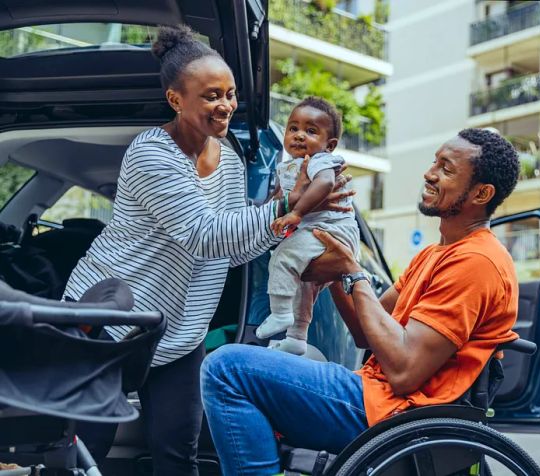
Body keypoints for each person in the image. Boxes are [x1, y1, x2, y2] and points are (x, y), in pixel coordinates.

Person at [62, 25, 351, 476]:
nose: (226, 105)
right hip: (112, 320)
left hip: (179, 332)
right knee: (84, 454)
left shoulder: (231, 159)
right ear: (176, 99)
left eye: (231, 93)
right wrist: (289, 203)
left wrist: (291, 220)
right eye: (211, 95)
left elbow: (231, 249)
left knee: (179, 455)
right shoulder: (150, 154)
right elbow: (204, 234)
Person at [200, 128, 522, 475]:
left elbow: (404, 371)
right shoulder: (435, 254)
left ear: (481, 193)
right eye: (434, 162)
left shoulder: (477, 262)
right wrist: (338, 268)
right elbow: (365, 333)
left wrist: (353, 271)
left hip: (398, 413)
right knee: (279, 359)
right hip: (380, 398)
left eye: (446, 169)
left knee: (226, 369)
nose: (430, 174)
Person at [255, 96, 360, 355]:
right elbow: (277, 200)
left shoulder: (320, 161)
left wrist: (296, 213)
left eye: (311, 131)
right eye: (293, 128)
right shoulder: (287, 166)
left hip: (331, 232)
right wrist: (277, 206)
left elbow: (324, 184)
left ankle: (280, 314)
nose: (299, 135)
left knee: (283, 256)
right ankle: (296, 336)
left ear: (329, 145)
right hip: (316, 232)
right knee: (303, 286)